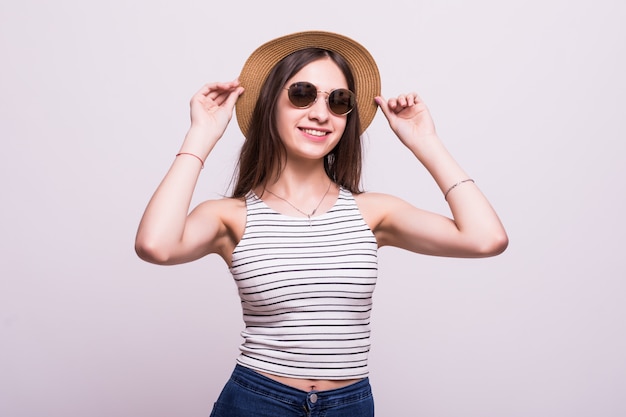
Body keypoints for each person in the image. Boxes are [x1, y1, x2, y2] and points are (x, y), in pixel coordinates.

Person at [135, 30, 508, 417]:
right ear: (269, 105)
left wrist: (425, 141)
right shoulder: (230, 217)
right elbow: (155, 245)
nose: (320, 113)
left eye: (338, 101)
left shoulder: (373, 212)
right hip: (257, 401)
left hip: (350, 405)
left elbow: (486, 238)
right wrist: (201, 135)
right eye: (301, 94)